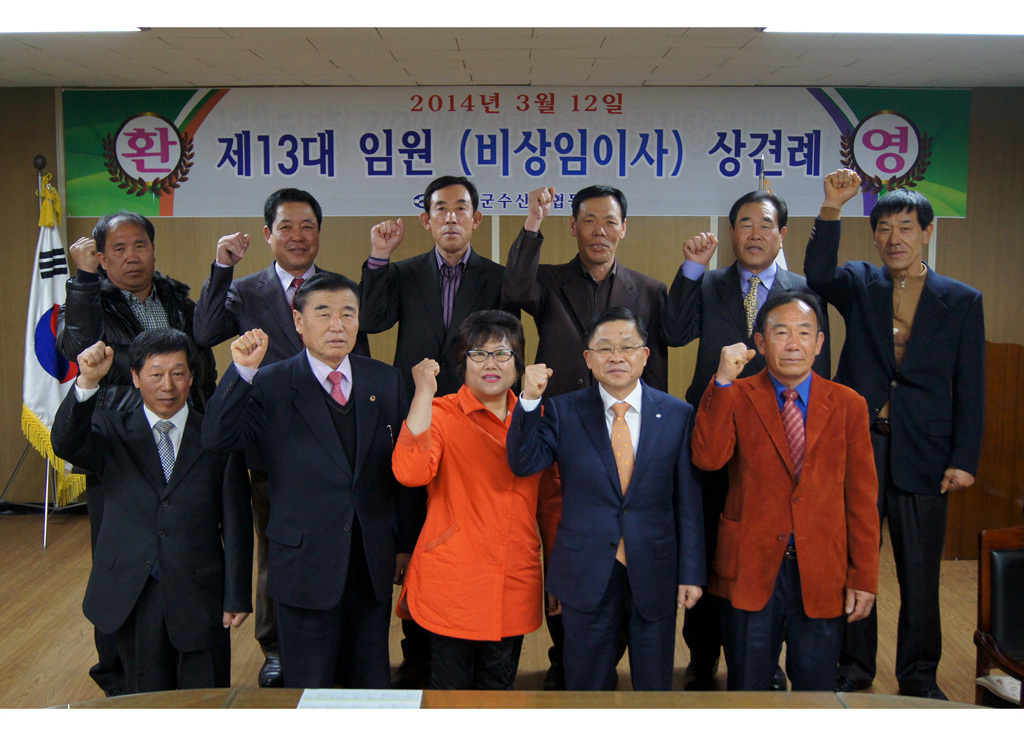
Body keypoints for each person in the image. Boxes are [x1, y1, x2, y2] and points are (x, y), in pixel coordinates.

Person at [804, 173, 986, 700]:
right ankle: (855, 664)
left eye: (905, 228)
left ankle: (919, 676)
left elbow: (970, 386)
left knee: (920, 572)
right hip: (860, 444)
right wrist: (831, 208)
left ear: (927, 232)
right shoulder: (861, 283)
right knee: (855, 562)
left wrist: (964, 458)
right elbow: (817, 274)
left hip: (925, 451)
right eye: (884, 229)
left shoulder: (961, 299)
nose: (894, 239)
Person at [201, 272, 417, 689]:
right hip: (303, 563)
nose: (337, 325)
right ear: (298, 321)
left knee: (370, 685)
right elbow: (216, 439)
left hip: (370, 561)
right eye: (323, 314)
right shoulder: (269, 382)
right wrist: (241, 371)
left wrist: (405, 543)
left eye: (348, 314)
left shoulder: (385, 380)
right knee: (309, 687)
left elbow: (403, 472)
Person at [191, 187, 369, 688]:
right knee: (276, 545)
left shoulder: (337, 291)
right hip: (275, 440)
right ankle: (275, 647)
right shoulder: (246, 289)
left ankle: (340, 635)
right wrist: (222, 268)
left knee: (339, 537)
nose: (297, 236)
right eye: (286, 226)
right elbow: (204, 331)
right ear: (268, 234)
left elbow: (358, 356)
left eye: (307, 226)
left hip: (335, 439)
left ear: (319, 232)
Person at [661, 184, 832, 690]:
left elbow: (816, 365)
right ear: (731, 232)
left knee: (768, 546)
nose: (755, 234)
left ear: (783, 233)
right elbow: (673, 332)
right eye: (745, 224)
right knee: (709, 542)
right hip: (715, 429)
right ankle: (702, 655)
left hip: (780, 439)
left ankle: (765, 658)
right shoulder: (709, 282)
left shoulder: (803, 288)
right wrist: (691, 269)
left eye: (765, 225)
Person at [502, 185, 670, 688]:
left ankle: (616, 646)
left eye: (610, 221)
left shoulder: (649, 290)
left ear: (624, 228)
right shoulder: (549, 280)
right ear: (573, 227)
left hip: (625, 431)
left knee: (628, 537)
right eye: (589, 221)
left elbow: (654, 362)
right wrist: (533, 222)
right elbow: (514, 289)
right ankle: (567, 654)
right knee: (568, 544)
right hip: (566, 431)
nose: (600, 231)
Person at [56, 210, 217, 697]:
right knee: (121, 562)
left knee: (182, 550)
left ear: (153, 248)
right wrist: (84, 282)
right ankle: (117, 674)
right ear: (102, 258)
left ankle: (177, 653)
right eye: (119, 249)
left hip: (182, 442)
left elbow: (201, 366)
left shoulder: (177, 299)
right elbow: (76, 347)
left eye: (140, 245)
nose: (132, 257)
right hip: (118, 446)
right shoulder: (91, 297)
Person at [506, 306, 705, 691]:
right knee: (586, 686)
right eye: (604, 348)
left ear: (645, 355)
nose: (616, 357)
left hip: (655, 568)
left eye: (627, 347)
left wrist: (692, 573)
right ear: (588, 358)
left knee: (654, 689)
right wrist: (528, 399)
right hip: (586, 570)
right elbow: (523, 461)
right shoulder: (562, 411)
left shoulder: (678, 414)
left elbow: (688, 504)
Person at [361, 175, 510, 687]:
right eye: (440, 209)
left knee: (463, 527)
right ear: (426, 220)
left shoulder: (497, 277)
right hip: (418, 411)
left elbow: (505, 347)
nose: (451, 218)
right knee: (416, 525)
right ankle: (417, 651)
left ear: (476, 219)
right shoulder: (402, 272)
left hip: (474, 418)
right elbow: (373, 321)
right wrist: (379, 257)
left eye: (461, 208)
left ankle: (469, 643)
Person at [690, 292, 880, 691]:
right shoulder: (736, 394)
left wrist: (864, 576)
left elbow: (862, 499)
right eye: (781, 332)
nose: (793, 343)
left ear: (819, 342)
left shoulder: (849, 405)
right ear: (761, 342)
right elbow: (707, 458)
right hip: (750, 564)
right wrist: (722, 380)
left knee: (816, 690)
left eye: (804, 332)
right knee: (748, 688)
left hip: (822, 568)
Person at [51, 329, 251, 694]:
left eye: (178, 374)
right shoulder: (110, 428)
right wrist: (87, 382)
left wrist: (236, 593)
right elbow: (66, 443)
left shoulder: (216, 435)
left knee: (204, 699)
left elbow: (237, 521)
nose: (167, 386)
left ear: (191, 376)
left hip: (199, 591)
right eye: (156, 374)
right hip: (133, 591)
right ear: (135, 376)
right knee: (143, 699)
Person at [391, 310, 557, 690]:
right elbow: (410, 472)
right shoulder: (441, 412)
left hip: (513, 575)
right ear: (462, 363)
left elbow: (550, 504)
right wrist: (423, 393)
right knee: (450, 696)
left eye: (502, 354)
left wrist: (558, 572)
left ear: (518, 364)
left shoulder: (537, 416)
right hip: (454, 580)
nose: (490, 364)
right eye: (478, 354)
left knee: (499, 693)